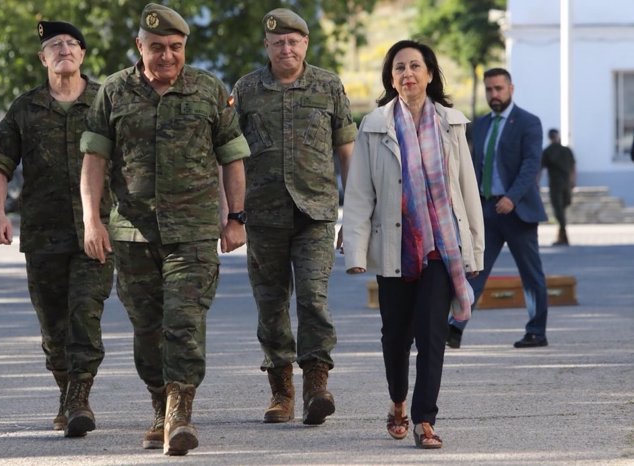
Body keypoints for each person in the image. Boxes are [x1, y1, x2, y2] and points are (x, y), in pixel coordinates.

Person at [79, 3, 249, 456]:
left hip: (192, 231)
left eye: (175, 47)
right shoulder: (114, 91)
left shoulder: (209, 90)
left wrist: (236, 217)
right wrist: (91, 220)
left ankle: (180, 413)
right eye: (157, 48)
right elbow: (94, 159)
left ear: (185, 48)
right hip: (132, 233)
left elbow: (232, 157)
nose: (167, 56)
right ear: (140, 46)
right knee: (147, 328)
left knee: (184, 323)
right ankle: (160, 404)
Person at [342, 40, 483, 449]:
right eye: (399, 67)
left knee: (432, 335)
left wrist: (474, 247)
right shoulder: (374, 126)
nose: (408, 74)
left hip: (442, 247)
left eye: (415, 66)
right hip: (395, 247)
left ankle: (425, 420)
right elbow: (359, 193)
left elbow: (467, 191)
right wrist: (355, 249)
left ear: (430, 74)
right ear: (391, 78)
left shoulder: (451, 124)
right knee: (395, 337)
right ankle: (398, 401)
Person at [0, 21, 114, 438]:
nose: (63, 50)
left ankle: (79, 400)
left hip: (96, 232)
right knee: (54, 329)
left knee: (85, 318)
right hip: (43, 234)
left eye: (71, 43)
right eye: (54, 45)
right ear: (43, 58)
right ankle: (68, 393)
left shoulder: (105, 102)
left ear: (83, 54)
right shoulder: (25, 108)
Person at [232, 8, 356, 426]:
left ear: (305, 44)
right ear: (267, 46)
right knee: (270, 304)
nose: (286, 47)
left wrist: (353, 215)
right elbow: (228, 156)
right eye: (278, 42)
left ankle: (316, 387)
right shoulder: (247, 89)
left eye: (294, 41)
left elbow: (346, 151)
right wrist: (228, 214)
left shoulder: (328, 85)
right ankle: (281, 391)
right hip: (263, 215)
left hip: (315, 213)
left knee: (313, 299)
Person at [447, 68, 549, 349]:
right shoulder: (479, 124)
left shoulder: (528, 122)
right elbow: (473, 166)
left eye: (499, 89)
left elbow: (531, 165)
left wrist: (512, 197)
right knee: (473, 270)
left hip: (518, 211)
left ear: (511, 89)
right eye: (489, 89)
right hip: (486, 211)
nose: (494, 94)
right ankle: (455, 328)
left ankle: (536, 331)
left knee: (531, 275)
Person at [541, 128, 576, 246]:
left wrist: (535, 183)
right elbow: (573, 166)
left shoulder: (548, 151)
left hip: (556, 184)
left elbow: (540, 169)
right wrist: (573, 181)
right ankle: (562, 234)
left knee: (558, 209)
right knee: (562, 209)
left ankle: (562, 234)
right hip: (566, 183)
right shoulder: (566, 150)